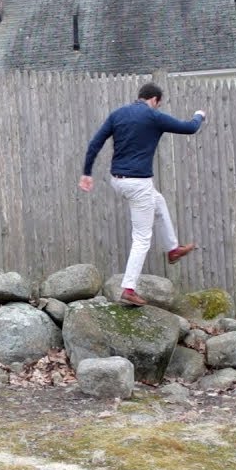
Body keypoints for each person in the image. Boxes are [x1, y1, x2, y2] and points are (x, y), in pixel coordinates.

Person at [80, 82, 205, 306]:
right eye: (158, 104)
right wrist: (199, 115)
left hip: (118, 181)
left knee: (159, 201)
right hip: (138, 183)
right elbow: (190, 128)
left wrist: (87, 173)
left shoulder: (118, 114)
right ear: (155, 100)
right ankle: (129, 287)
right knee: (142, 238)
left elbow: (94, 143)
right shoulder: (153, 116)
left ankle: (173, 248)